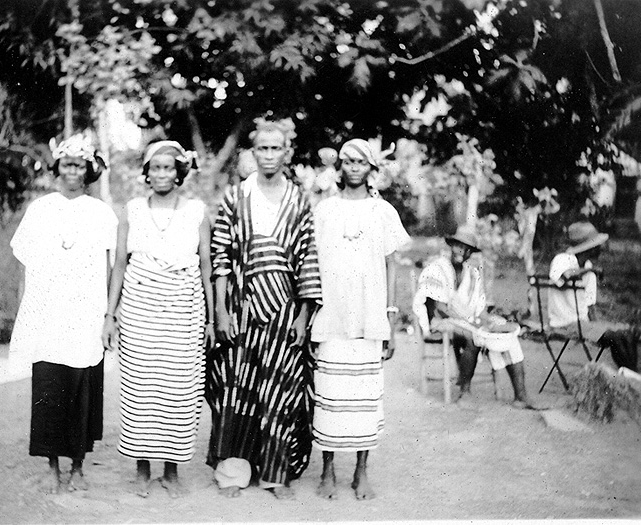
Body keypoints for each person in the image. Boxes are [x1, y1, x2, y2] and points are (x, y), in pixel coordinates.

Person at [207, 119, 322, 500]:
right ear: (253, 153)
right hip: (242, 307)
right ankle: (233, 472)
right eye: (262, 149)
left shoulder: (299, 200)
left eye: (276, 149)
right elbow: (221, 256)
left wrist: (304, 317)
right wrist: (222, 312)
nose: (269, 155)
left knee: (280, 389)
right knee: (236, 387)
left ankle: (275, 473)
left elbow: (308, 261)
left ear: (287, 153)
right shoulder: (236, 197)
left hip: (285, 310)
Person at [101, 140, 214, 498]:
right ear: (146, 173)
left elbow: (207, 267)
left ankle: (171, 470)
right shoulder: (131, 210)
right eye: (155, 168)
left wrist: (211, 319)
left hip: (184, 312)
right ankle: (142, 468)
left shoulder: (196, 211)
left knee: (179, 391)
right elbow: (119, 264)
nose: (162, 174)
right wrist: (110, 315)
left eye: (169, 168)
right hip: (140, 310)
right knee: (141, 389)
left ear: (179, 172)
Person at [8, 133, 118, 494]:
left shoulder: (101, 212)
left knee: (82, 387)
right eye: (67, 164)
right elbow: (25, 264)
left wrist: (106, 316)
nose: (73, 171)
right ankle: (53, 466)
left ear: (89, 170)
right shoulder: (41, 209)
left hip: (85, 311)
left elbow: (107, 265)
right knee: (50, 385)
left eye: (79, 165)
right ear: (57, 168)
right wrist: (25, 312)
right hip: (49, 311)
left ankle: (78, 466)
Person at [311, 139, 410, 500]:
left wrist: (390, 319)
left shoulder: (382, 211)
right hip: (333, 315)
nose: (353, 167)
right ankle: (327, 472)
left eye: (360, 162)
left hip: (369, 317)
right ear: (340, 166)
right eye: (347, 161)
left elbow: (390, 266)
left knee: (365, 397)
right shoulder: (324, 210)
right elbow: (312, 263)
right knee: (331, 395)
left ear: (371, 168)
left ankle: (361, 471)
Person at [411, 226, 534, 409]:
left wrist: (491, 321)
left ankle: (521, 396)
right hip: (440, 321)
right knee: (473, 335)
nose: (462, 251)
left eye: (467, 249)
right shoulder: (437, 268)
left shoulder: (473, 274)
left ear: (470, 253)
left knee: (506, 333)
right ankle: (464, 392)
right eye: (459, 246)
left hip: (465, 321)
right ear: (451, 246)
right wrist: (472, 323)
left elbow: (479, 309)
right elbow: (441, 308)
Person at [548, 221, 613, 342]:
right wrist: (591, 270)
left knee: (622, 335)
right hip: (563, 323)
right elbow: (566, 275)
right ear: (590, 248)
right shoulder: (562, 259)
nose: (600, 248)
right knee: (616, 338)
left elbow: (590, 304)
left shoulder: (588, 266)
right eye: (597, 245)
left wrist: (597, 328)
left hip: (582, 324)